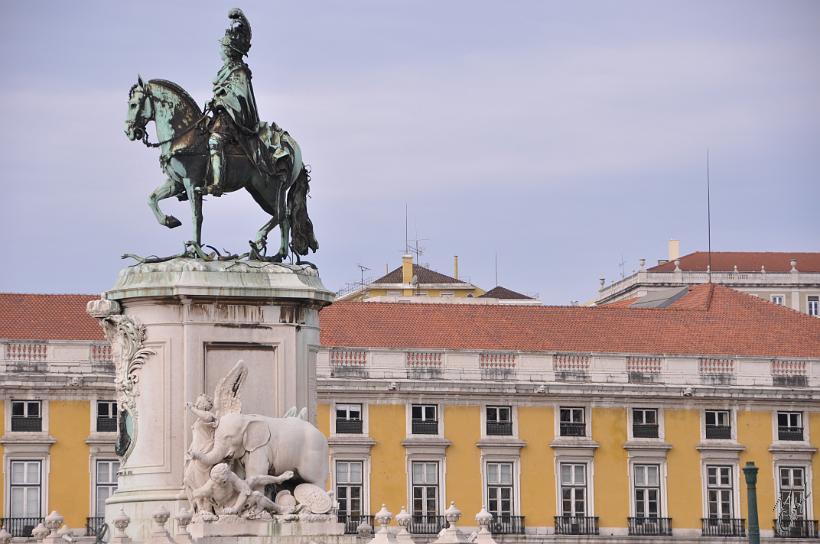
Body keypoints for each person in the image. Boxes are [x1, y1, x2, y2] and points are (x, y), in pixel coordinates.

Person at [207, 8, 260, 196]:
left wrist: (221, 99)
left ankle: (217, 183)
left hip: (234, 118)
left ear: (230, 50)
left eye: (223, 47)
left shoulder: (240, 71)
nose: (220, 50)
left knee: (214, 141)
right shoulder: (227, 70)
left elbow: (241, 96)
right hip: (221, 115)